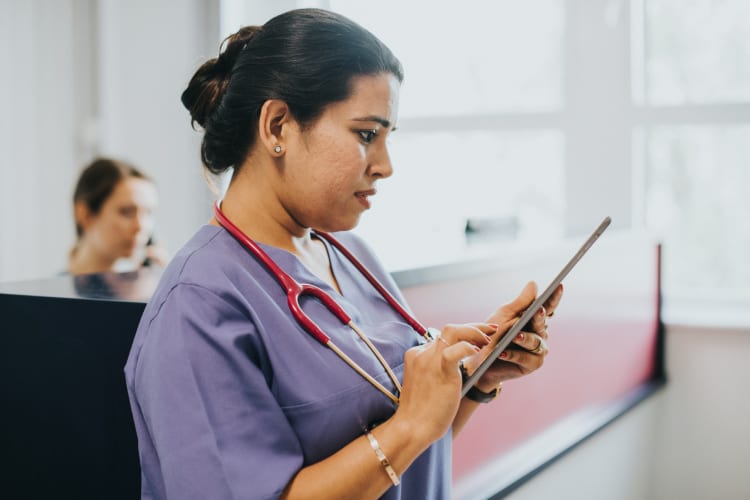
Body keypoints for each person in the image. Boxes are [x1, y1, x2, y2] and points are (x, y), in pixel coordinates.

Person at [124, 8, 563, 500]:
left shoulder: (353, 257)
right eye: (366, 134)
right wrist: (410, 426)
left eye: (388, 138)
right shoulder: (199, 305)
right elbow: (401, 434)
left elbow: (400, 456)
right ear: (277, 127)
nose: (386, 166)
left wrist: (472, 380)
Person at [68, 157, 168, 275]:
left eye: (148, 213)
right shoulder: (51, 291)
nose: (141, 226)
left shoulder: (143, 284)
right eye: (127, 212)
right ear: (85, 215)